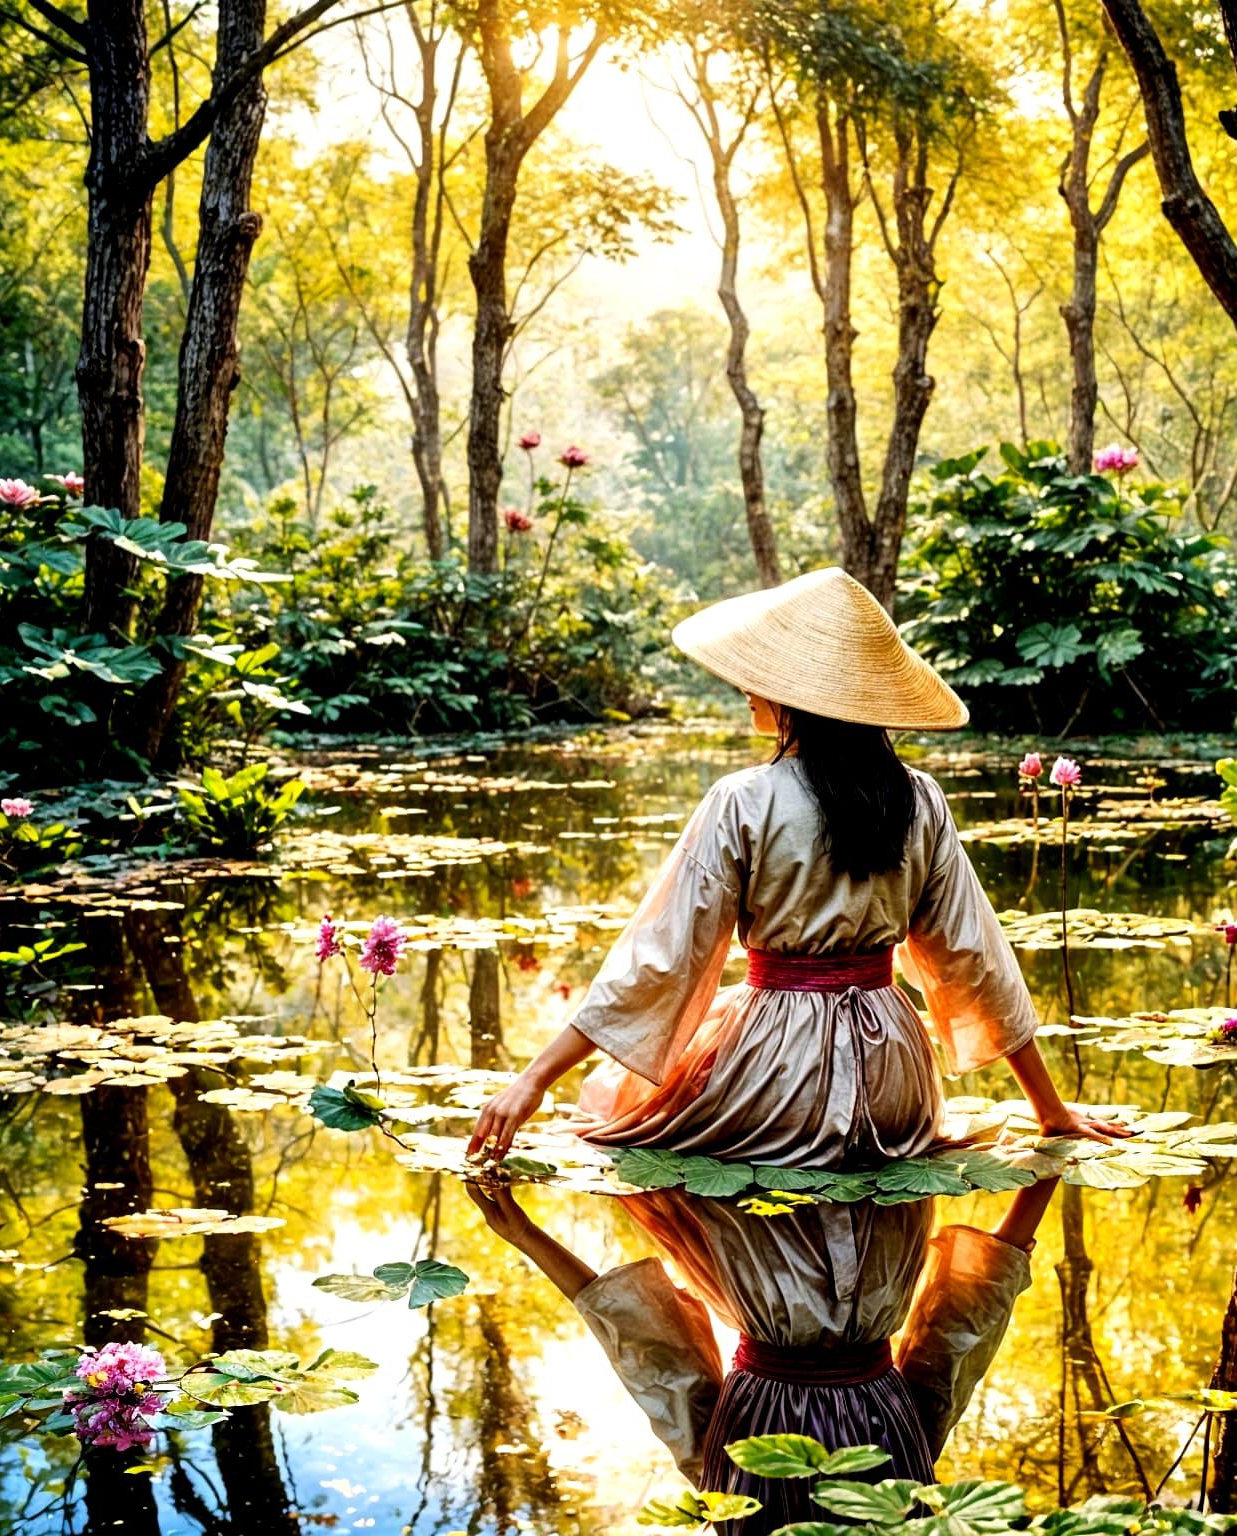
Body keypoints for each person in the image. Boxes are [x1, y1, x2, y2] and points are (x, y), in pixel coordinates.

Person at [469, 567, 1126, 1168]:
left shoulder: (743, 800)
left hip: (777, 1069)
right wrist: (1050, 1110)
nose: (746, 687)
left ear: (796, 697)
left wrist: (533, 1078)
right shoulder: (918, 796)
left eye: (761, 675)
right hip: (896, 1075)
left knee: (615, 1103)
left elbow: (659, 960)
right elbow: (973, 957)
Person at [467, 1178, 1058, 1536]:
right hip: (849, 1213)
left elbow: (653, 1354)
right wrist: (1045, 1173)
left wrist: (526, 1233)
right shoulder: (894, 1478)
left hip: (773, 1229)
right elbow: (958, 1332)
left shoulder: (729, 1491)